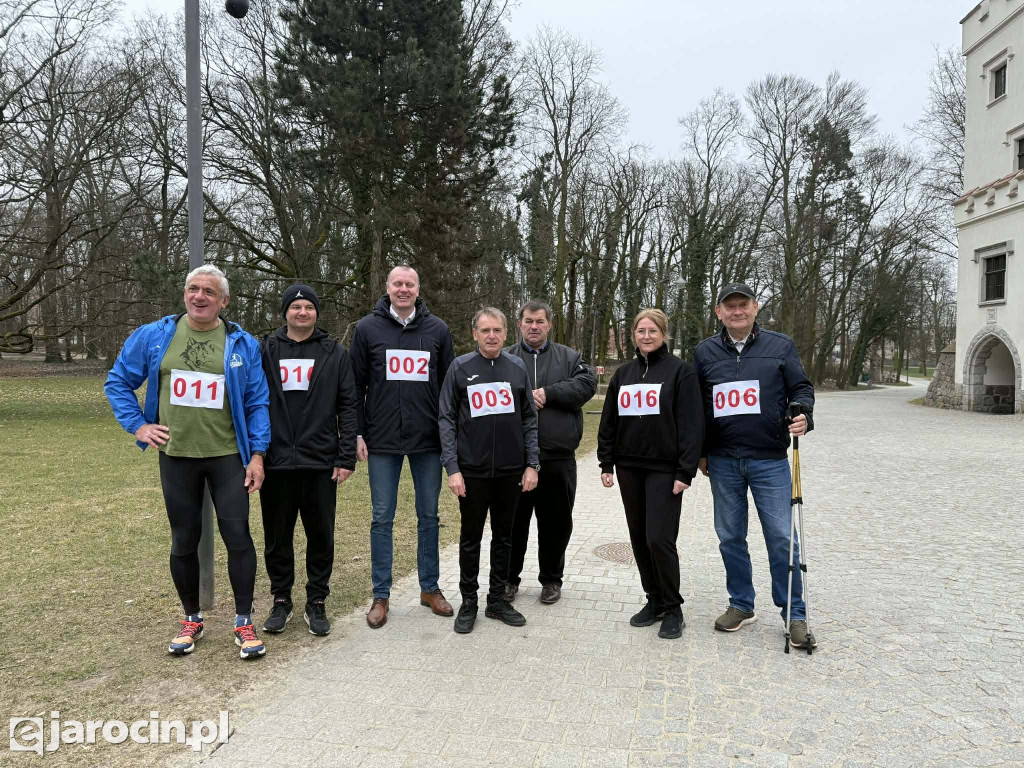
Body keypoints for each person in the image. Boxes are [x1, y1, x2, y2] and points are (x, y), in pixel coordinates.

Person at [104, 265, 271, 659]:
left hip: (229, 456)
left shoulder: (242, 343)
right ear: (184, 294)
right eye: (193, 289)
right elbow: (118, 381)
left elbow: (256, 402)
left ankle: (243, 622)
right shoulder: (155, 335)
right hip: (177, 457)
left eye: (209, 292)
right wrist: (139, 427)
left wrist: (258, 454)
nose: (200, 297)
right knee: (184, 538)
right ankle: (191, 618)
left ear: (224, 301)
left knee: (238, 537)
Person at [693, 282, 816, 649]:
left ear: (755, 307)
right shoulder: (704, 352)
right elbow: (697, 406)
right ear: (718, 312)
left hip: (769, 460)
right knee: (730, 536)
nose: (736, 311)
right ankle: (741, 603)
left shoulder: (780, 345)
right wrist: (699, 452)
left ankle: (794, 612)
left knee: (780, 537)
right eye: (728, 306)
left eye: (742, 305)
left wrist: (804, 414)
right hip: (723, 460)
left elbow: (801, 388)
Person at [351, 265, 456, 628]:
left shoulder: (438, 330)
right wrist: (357, 433)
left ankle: (430, 588)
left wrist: (449, 436)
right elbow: (355, 387)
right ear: (387, 287)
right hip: (381, 439)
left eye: (410, 283)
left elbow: (449, 388)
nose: (403, 289)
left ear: (418, 288)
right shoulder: (367, 329)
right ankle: (381, 596)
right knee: (382, 518)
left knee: (428, 516)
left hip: (427, 440)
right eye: (397, 283)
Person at [597, 308, 703, 640]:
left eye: (652, 331)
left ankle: (674, 607)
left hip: (665, 469)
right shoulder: (623, 374)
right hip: (630, 468)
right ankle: (654, 600)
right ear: (634, 335)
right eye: (640, 330)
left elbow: (691, 424)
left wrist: (685, 471)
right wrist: (606, 462)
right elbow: (609, 421)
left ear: (663, 334)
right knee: (640, 539)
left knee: (659, 538)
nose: (646, 336)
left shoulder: (680, 372)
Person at [259, 284, 358, 637]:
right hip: (276, 463)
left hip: (321, 463)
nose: (302, 312)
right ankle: (281, 600)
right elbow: (252, 401)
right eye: (296, 307)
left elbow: (348, 406)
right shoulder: (266, 350)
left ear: (317, 313)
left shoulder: (334, 353)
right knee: (277, 537)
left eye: (309, 307)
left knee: (321, 536)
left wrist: (346, 456)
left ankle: (317, 601)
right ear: (285, 312)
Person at [438, 307, 540, 634]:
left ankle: (497, 600)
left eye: (497, 330)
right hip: (472, 472)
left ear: (506, 333)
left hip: (511, 471)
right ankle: (469, 602)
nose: (492, 335)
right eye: (485, 330)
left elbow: (528, 419)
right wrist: (452, 468)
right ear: (475, 334)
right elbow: (447, 420)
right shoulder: (460, 367)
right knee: (470, 538)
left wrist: (531, 464)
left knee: (505, 538)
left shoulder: (517, 367)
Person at [504, 300, 596, 605]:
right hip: (515, 459)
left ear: (549, 325)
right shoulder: (505, 359)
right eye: (528, 321)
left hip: (558, 457)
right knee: (513, 523)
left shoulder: (569, 357)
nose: (534, 326)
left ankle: (551, 580)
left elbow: (586, 384)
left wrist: (549, 393)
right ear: (519, 324)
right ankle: (508, 580)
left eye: (540, 321)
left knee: (556, 524)